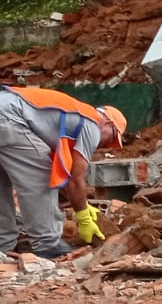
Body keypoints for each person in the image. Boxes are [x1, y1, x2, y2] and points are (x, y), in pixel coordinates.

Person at [0, 86, 126, 258]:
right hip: (9, 118)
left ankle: (3, 244)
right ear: (108, 123)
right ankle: (47, 243)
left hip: (6, 110)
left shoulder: (66, 120)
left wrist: (82, 204)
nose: (103, 146)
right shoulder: (91, 123)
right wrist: (83, 217)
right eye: (111, 138)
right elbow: (75, 179)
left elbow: (63, 176)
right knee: (40, 177)